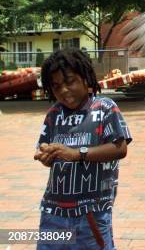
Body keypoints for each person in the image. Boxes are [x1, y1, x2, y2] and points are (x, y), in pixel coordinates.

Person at [34, 48, 132, 250]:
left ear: (86, 79)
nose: (63, 90)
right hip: (54, 212)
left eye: (69, 81)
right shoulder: (54, 113)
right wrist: (45, 155)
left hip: (91, 213)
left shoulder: (105, 107)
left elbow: (120, 148)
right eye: (56, 86)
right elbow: (42, 149)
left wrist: (77, 154)